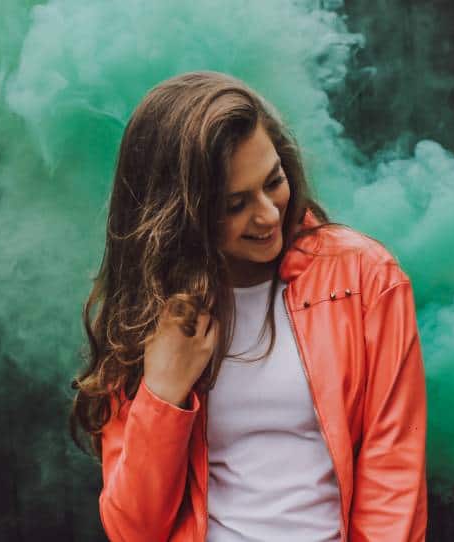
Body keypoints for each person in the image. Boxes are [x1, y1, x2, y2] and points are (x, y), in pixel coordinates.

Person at [70, 71, 427, 542]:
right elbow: (135, 530)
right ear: (181, 213)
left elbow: (393, 471)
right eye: (234, 204)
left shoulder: (364, 277)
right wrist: (163, 392)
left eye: (273, 181)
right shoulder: (150, 311)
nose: (268, 214)